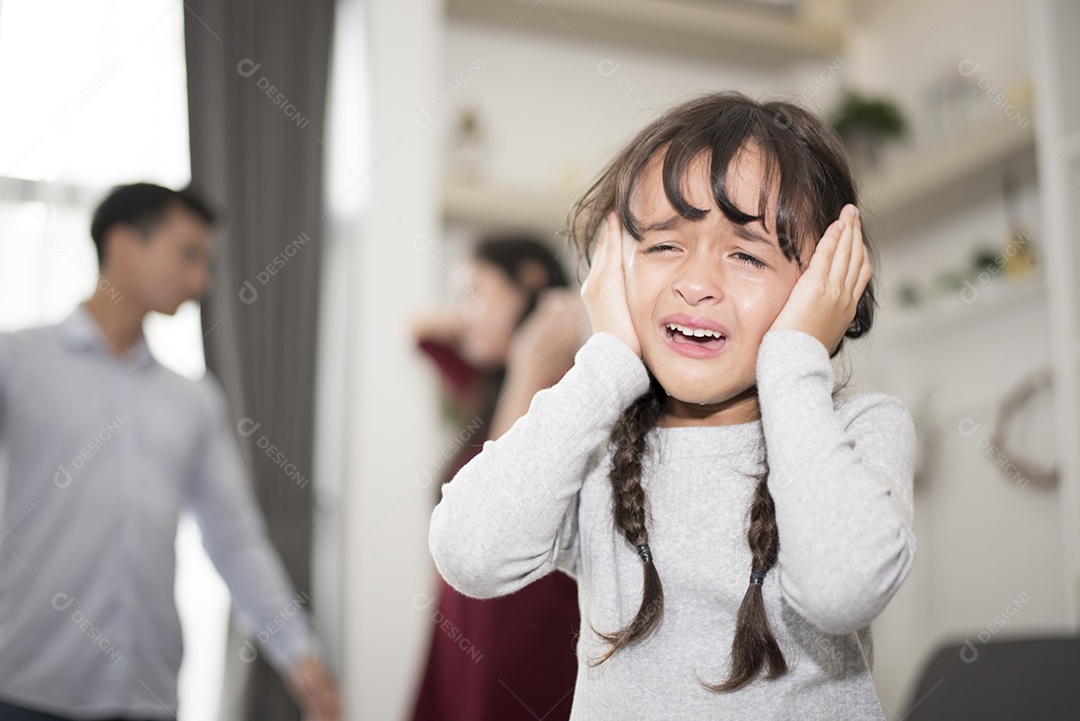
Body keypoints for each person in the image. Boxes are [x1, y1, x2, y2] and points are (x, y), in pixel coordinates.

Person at [429, 92, 916, 719]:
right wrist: (606, 358)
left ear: (824, 286)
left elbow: (841, 587)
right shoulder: (597, 448)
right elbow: (471, 553)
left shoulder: (860, 430)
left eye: (746, 253)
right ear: (613, 267)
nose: (695, 282)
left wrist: (796, 356)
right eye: (663, 245)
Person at [0, 183, 339, 721]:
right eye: (188, 254)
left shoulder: (195, 402)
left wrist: (300, 653)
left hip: (147, 698)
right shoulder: (16, 363)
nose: (202, 280)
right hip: (24, 693)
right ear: (122, 246)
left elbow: (235, 541)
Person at [409, 236, 585, 721]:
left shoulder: (573, 389)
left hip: (521, 637)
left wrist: (532, 357)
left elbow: (499, 503)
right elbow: (419, 331)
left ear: (527, 281)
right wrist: (494, 319)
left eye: (476, 292)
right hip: (463, 628)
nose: (464, 312)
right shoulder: (492, 381)